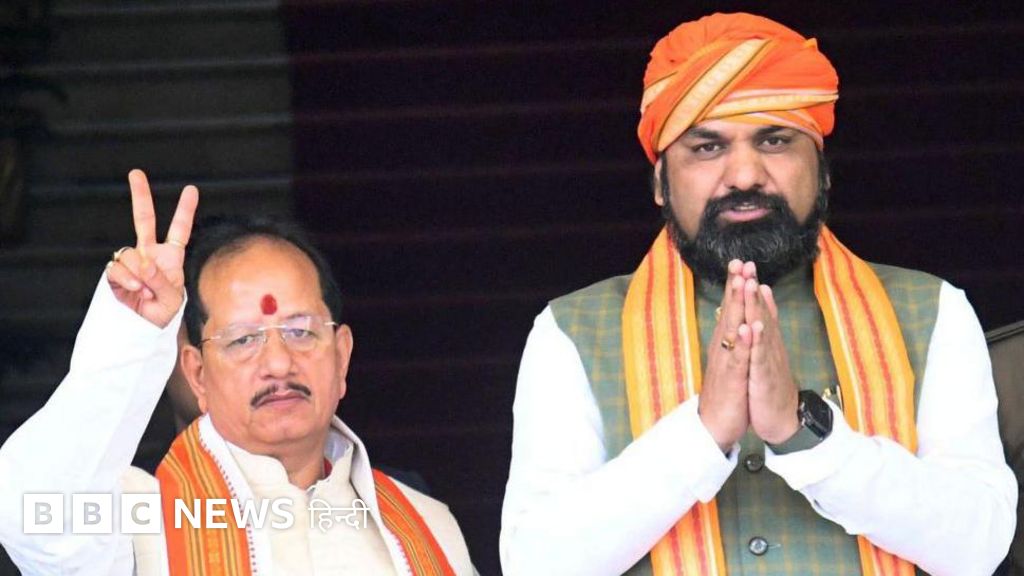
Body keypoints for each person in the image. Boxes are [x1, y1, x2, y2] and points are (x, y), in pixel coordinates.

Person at [500, 12, 1016, 576]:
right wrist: (702, 432)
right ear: (660, 182)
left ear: (822, 171)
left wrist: (805, 433)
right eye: (707, 147)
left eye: (774, 141)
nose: (744, 175)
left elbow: (978, 546)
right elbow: (535, 564)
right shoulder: (572, 329)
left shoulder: (930, 309)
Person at [0, 170, 476, 575]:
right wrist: (134, 334)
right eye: (243, 340)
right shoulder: (140, 518)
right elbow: (28, 510)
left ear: (342, 356)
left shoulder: (425, 523)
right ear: (197, 375)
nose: (278, 363)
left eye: (301, 331)